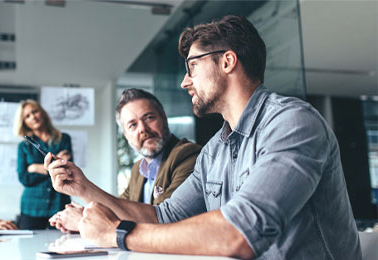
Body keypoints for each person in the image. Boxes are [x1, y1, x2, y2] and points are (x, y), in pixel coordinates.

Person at [45, 15, 361, 259]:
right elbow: (163, 216)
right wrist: (83, 188)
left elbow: (240, 233)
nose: (185, 82)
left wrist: (118, 233)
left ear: (227, 61)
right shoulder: (214, 151)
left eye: (192, 67)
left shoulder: (292, 123)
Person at [48, 89, 201, 232]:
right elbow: (118, 211)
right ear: (126, 135)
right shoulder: (138, 169)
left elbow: (163, 221)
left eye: (149, 118)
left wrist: (83, 219)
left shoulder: (188, 155)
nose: (142, 129)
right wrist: (86, 214)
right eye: (132, 125)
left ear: (164, 119)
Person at [14, 99, 72, 229]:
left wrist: (35, 167)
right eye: (27, 116)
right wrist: (53, 168)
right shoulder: (23, 146)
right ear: (24, 122)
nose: (33, 117)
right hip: (31, 207)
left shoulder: (64, 139)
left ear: (42, 113)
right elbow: (24, 178)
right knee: (28, 247)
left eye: (35, 112)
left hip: (59, 204)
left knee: (62, 245)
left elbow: (66, 171)